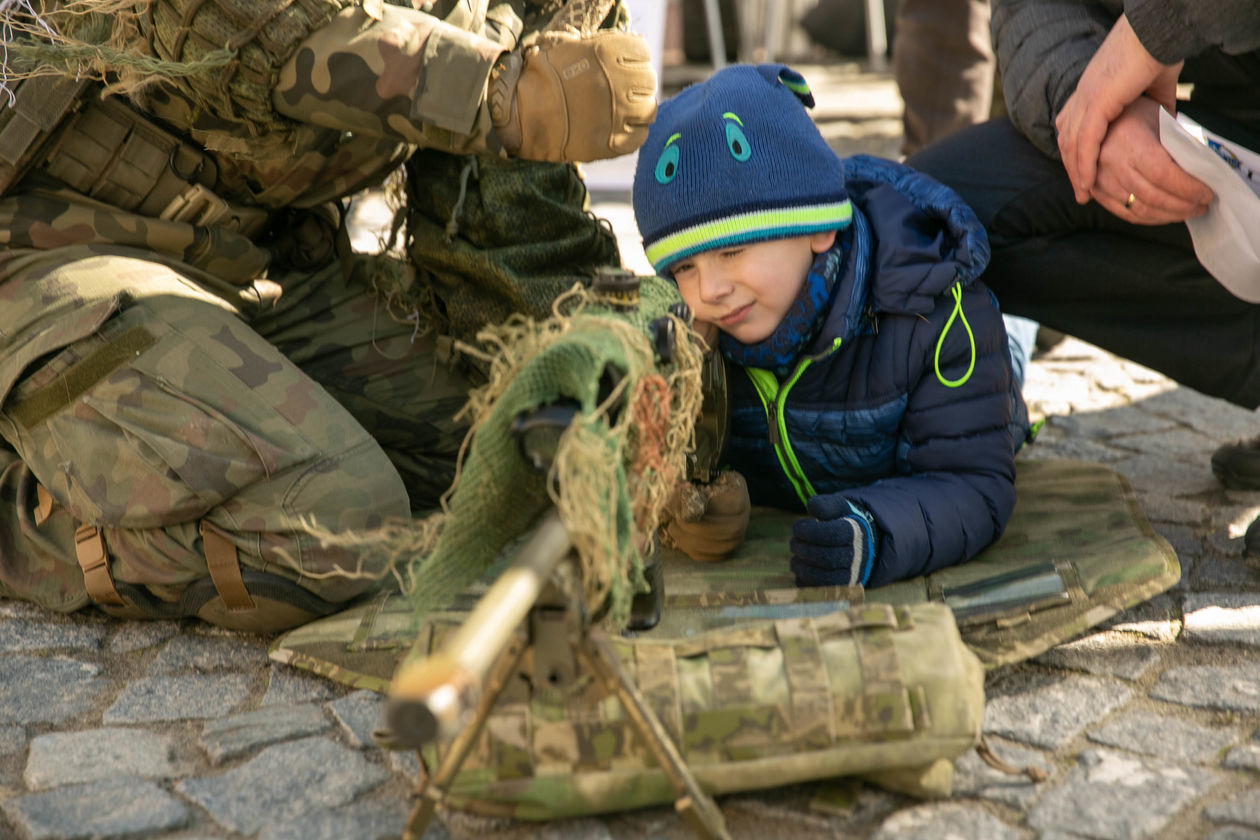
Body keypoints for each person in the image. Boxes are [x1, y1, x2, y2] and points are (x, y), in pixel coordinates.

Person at [0, 0, 656, 631]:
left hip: (255, 263)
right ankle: (30, 519)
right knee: (336, 526)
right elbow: (268, 33)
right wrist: (500, 95)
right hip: (60, 263)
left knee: (508, 437)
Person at [631, 63, 1029, 588]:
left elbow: (973, 483)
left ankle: (1024, 328)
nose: (709, 291)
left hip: (972, 364)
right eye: (683, 267)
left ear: (818, 229)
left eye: (732, 250)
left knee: (1009, 352)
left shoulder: (933, 314)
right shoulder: (691, 335)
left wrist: (872, 534)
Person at [904, 0, 1260, 542]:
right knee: (927, 215)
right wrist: (1090, 107)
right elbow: (1031, 9)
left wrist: (1152, 34)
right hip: (1232, 164)